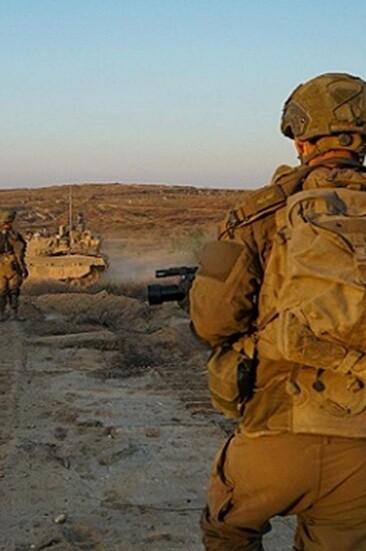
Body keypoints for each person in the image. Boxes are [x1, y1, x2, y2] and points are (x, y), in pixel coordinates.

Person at [190, 73, 366, 550]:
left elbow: (212, 322)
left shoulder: (258, 214)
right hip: (361, 449)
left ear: (301, 141)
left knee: (228, 531)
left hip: (276, 432)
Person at [0, 209, 27, 320]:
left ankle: (1, 314)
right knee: (14, 291)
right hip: (13, 265)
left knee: (1, 291)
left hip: (1, 265)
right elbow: (19, 254)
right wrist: (23, 268)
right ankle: (14, 314)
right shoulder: (14, 236)